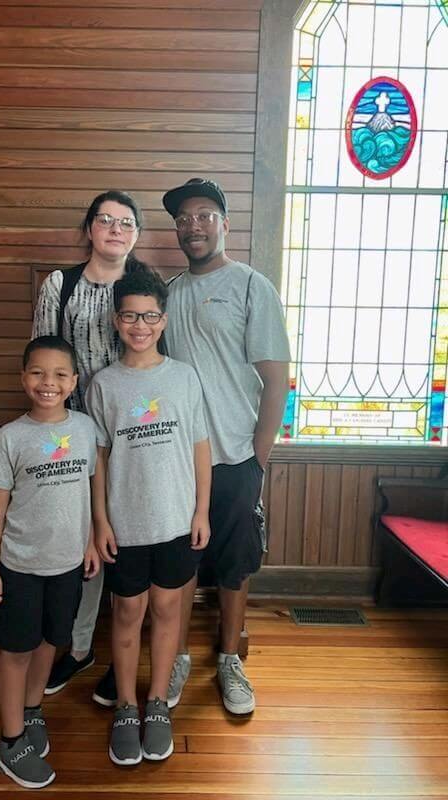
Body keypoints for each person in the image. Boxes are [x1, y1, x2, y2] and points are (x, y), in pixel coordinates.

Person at [161, 177, 290, 715]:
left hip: (237, 457)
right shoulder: (166, 293)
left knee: (234, 564)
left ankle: (230, 659)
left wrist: (258, 455)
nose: (193, 225)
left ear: (223, 224)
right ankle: (175, 660)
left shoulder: (250, 286)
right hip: (179, 459)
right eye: (183, 218)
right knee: (181, 564)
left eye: (203, 215)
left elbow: (277, 378)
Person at [85, 268, 211, 765]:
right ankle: (125, 705)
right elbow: (97, 459)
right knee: (127, 614)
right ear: (117, 321)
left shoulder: (183, 377)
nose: (141, 324)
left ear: (163, 319)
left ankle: (156, 703)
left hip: (178, 522)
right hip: (126, 525)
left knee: (167, 611)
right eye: (131, 315)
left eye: (150, 315)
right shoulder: (104, 385)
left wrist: (201, 510)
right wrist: (100, 522)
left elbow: (201, 448)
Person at [32, 190, 143, 706]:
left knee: (129, 538)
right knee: (85, 539)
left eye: (125, 222)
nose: (115, 230)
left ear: (136, 234)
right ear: (90, 229)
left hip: (134, 434)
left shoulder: (145, 286)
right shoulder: (62, 284)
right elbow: (44, 356)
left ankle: (124, 651)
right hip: (73, 433)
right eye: (106, 220)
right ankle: (78, 648)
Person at [0, 335, 99, 789]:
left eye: (59, 374)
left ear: (73, 381)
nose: (48, 382)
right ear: (23, 378)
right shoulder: (10, 437)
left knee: (51, 642)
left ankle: (32, 713)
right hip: (19, 567)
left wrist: (89, 541)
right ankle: (10, 742)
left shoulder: (86, 429)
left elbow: (89, 489)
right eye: (37, 373)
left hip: (67, 565)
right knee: (16, 651)